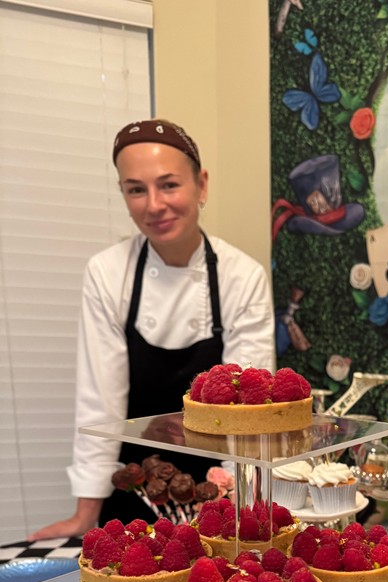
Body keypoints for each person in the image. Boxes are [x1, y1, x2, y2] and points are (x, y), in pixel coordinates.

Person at [29, 119, 275, 540]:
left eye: (169, 185)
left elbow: (247, 414)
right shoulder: (107, 273)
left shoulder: (242, 276)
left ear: (201, 185)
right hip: (136, 485)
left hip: (217, 487)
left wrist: (244, 507)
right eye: (136, 190)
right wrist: (85, 514)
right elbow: (99, 399)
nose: (154, 205)